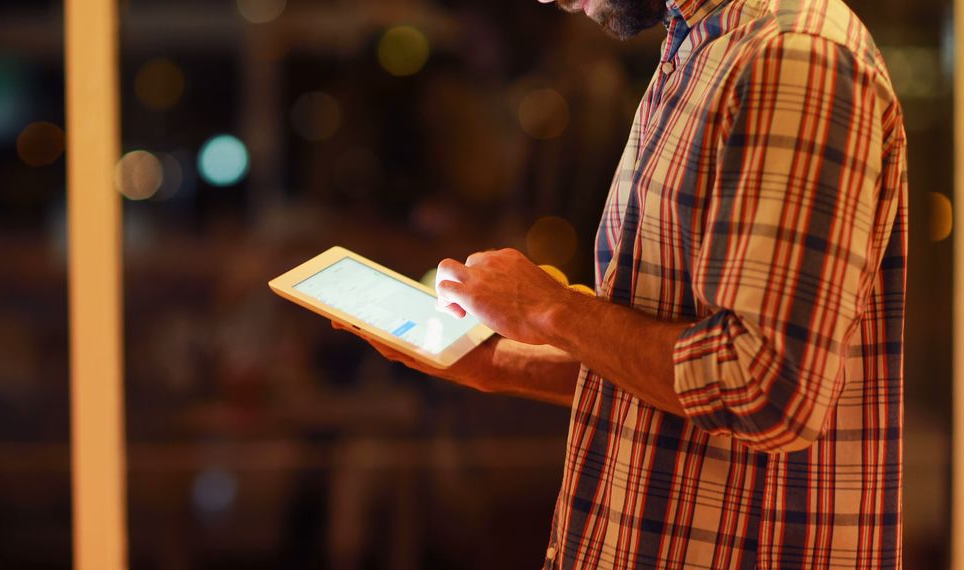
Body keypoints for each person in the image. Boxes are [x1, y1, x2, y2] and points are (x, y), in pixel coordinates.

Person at [337, 0, 907, 567]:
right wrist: (496, 364)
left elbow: (765, 386)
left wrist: (550, 311)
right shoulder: (698, 48)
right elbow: (677, 361)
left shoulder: (795, 55)